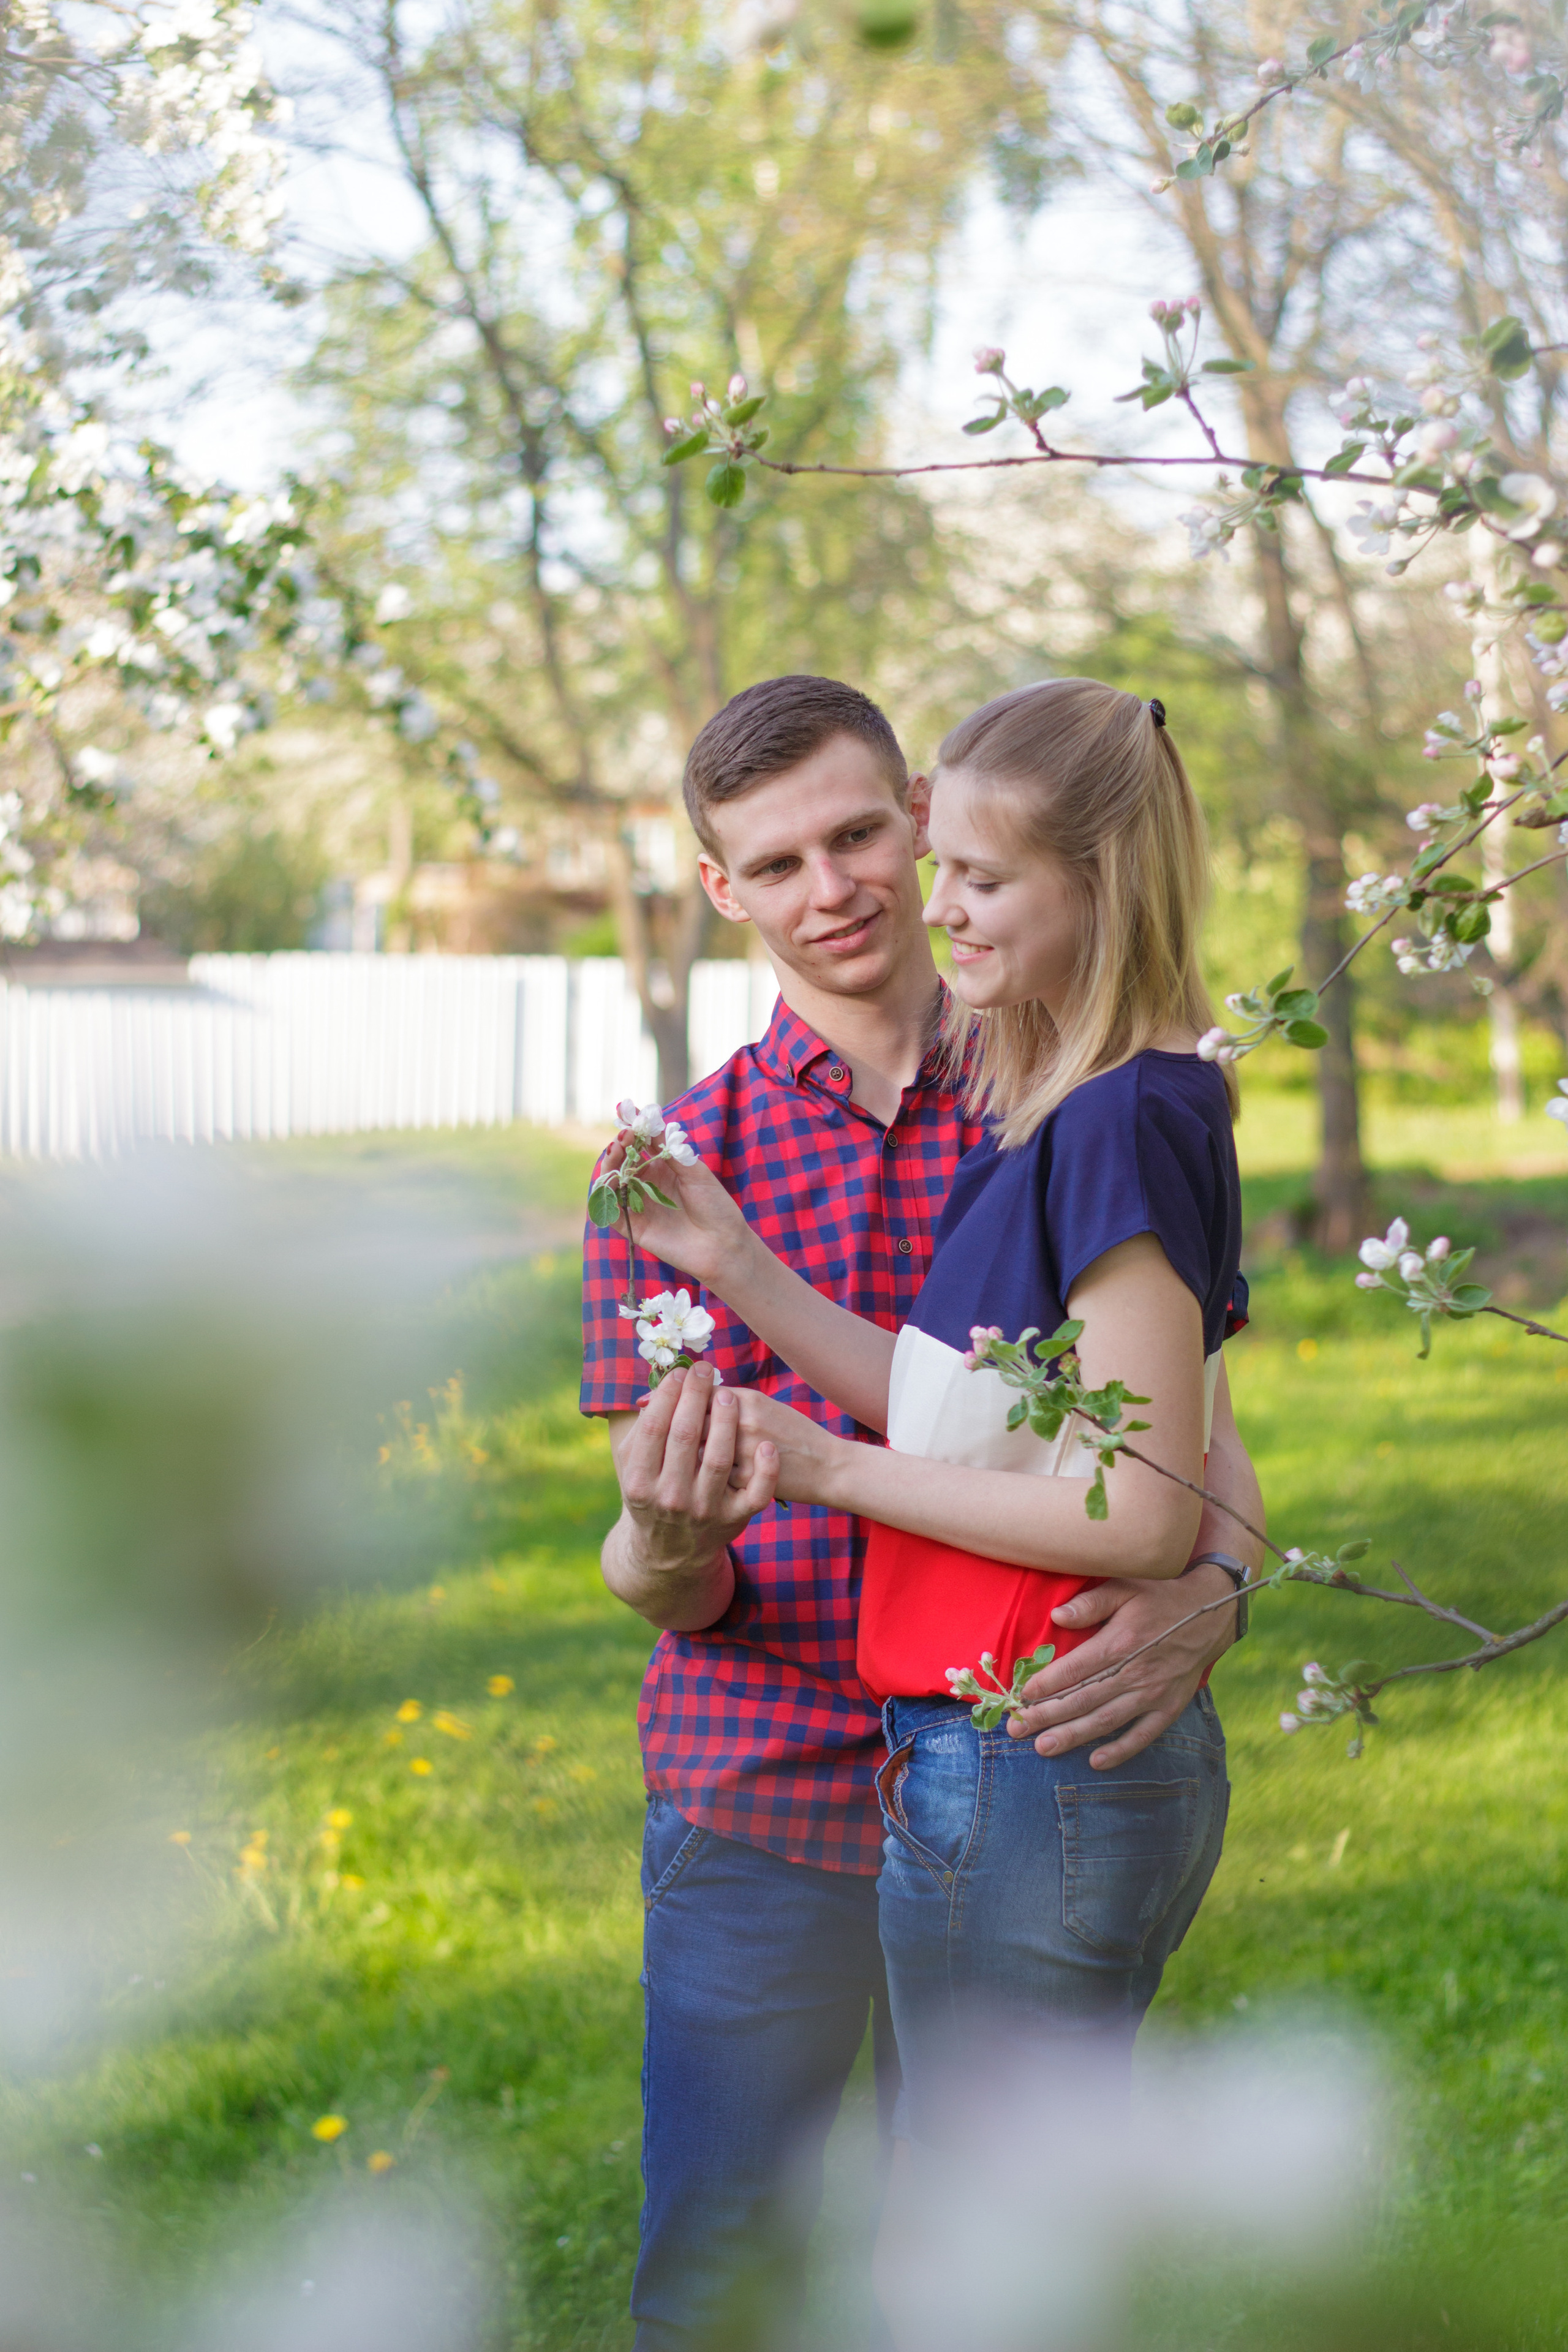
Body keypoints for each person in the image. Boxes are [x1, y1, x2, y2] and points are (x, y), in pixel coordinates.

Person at [580, 675, 1262, 2351]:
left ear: (918, 814)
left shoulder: (1059, 1075)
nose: (836, 891)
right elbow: (657, 1571)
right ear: (723, 890)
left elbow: (1190, 1458)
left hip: (1014, 1756)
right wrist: (666, 1535)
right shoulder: (679, 1173)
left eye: (860, 837)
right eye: (776, 864)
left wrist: (1216, 1589)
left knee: (981, 2277)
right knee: (722, 2281)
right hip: (763, 1785)